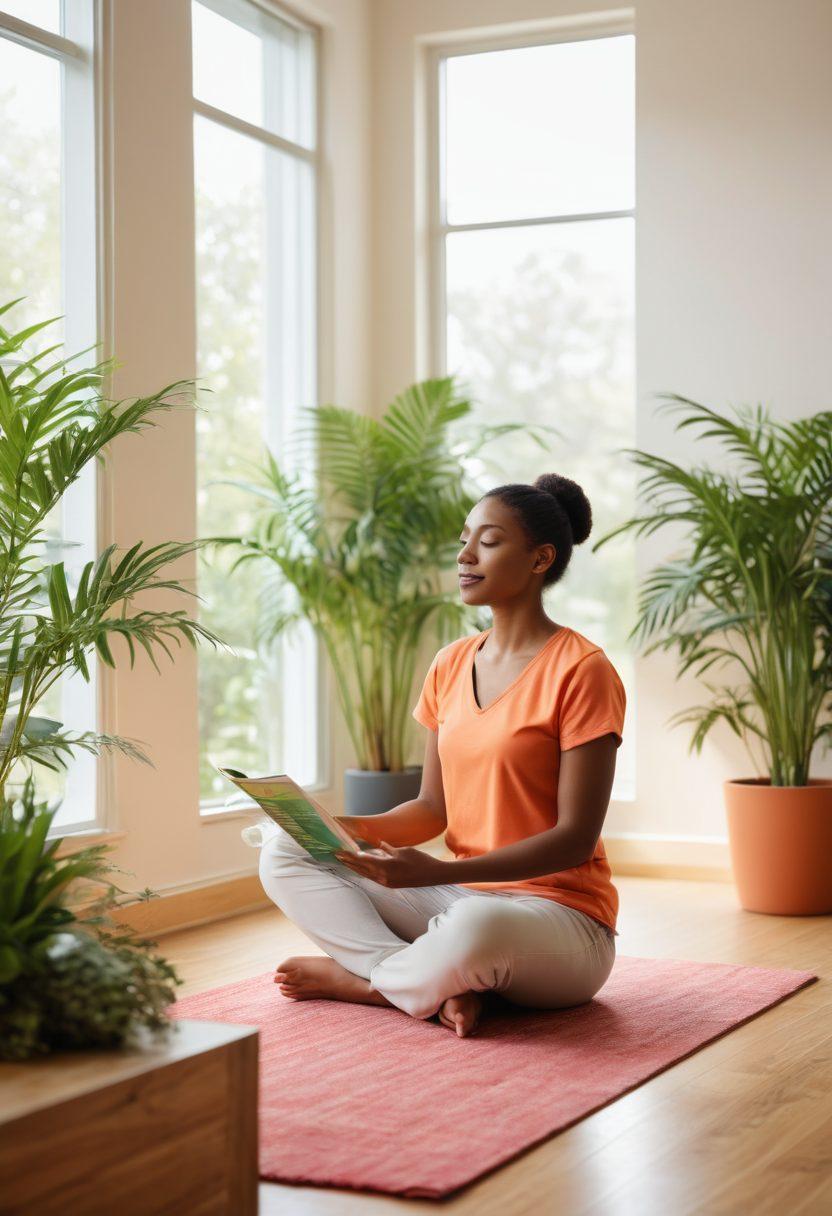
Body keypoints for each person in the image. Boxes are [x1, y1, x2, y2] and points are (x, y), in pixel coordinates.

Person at [259, 473, 626, 1038]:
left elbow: (575, 839)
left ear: (539, 559)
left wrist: (441, 871)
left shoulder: (583, 669)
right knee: (284, 849)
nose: (464, 554)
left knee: (476, 924)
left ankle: (366, 984)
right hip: (458, 899)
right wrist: (331, 827)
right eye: (464, 537)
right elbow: (432, 809)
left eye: (490, 540)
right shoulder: (451, 662)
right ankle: (419, 981)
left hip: (561, 922)